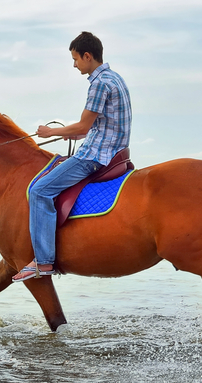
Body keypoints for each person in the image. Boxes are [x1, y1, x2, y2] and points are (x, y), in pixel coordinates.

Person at [12, 31, 133, 282]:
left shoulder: (98, 83)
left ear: (88, 56)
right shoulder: (115, 78)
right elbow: (102, 123)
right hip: (113, 149)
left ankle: (43, 262)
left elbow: (83, 126)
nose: (74, 64)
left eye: (76, 59)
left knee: (39, 191)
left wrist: (50, 132)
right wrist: (79, 134)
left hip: (96, 156)